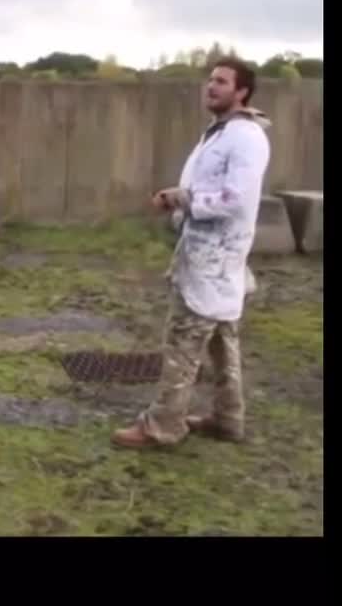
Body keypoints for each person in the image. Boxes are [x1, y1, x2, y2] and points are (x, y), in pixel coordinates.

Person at [112, 57, 271, 448]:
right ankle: (227, 418)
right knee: (221, 342)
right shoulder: (222, 132)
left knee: (182, 343)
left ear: (242, 91)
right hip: (209, 257)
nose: (211, 86)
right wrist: (180, 199)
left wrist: (184, 198)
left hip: (214, 260)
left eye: (221, 81)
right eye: (210, 80)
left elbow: (234, 199)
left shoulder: (245, 137)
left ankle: (162, 426)